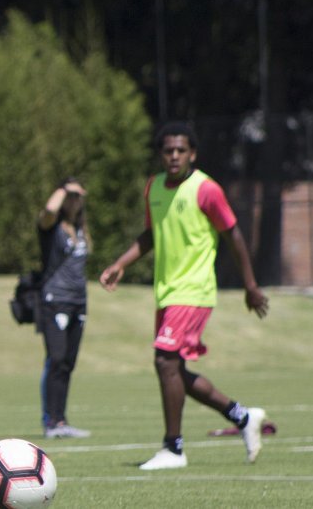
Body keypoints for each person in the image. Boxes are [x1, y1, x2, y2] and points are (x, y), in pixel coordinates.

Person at [100, 121, 270, 470]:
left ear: (192, 153)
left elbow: (234, 235)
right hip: (168, 291)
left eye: (181, 150)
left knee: (165, 362)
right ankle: (242, 416)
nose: (174, 156)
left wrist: (250, 286)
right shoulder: (155, 187)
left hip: (194, 291)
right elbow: (151, 235)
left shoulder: (206, 190)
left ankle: (173, 448)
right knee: (171, 368)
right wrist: (121, 263)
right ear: (161, 155)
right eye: (168, 150)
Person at [35, 178, 91, 439]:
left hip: (78, 302)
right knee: (55, 359)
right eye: (71, 196)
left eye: (78, 196)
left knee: (67, 363)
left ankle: (61, 420)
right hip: (54, 300)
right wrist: (63, 189)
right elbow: (48, 211)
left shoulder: (81, 228)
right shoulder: (52, 226)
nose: (74, 200)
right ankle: (50, 421)